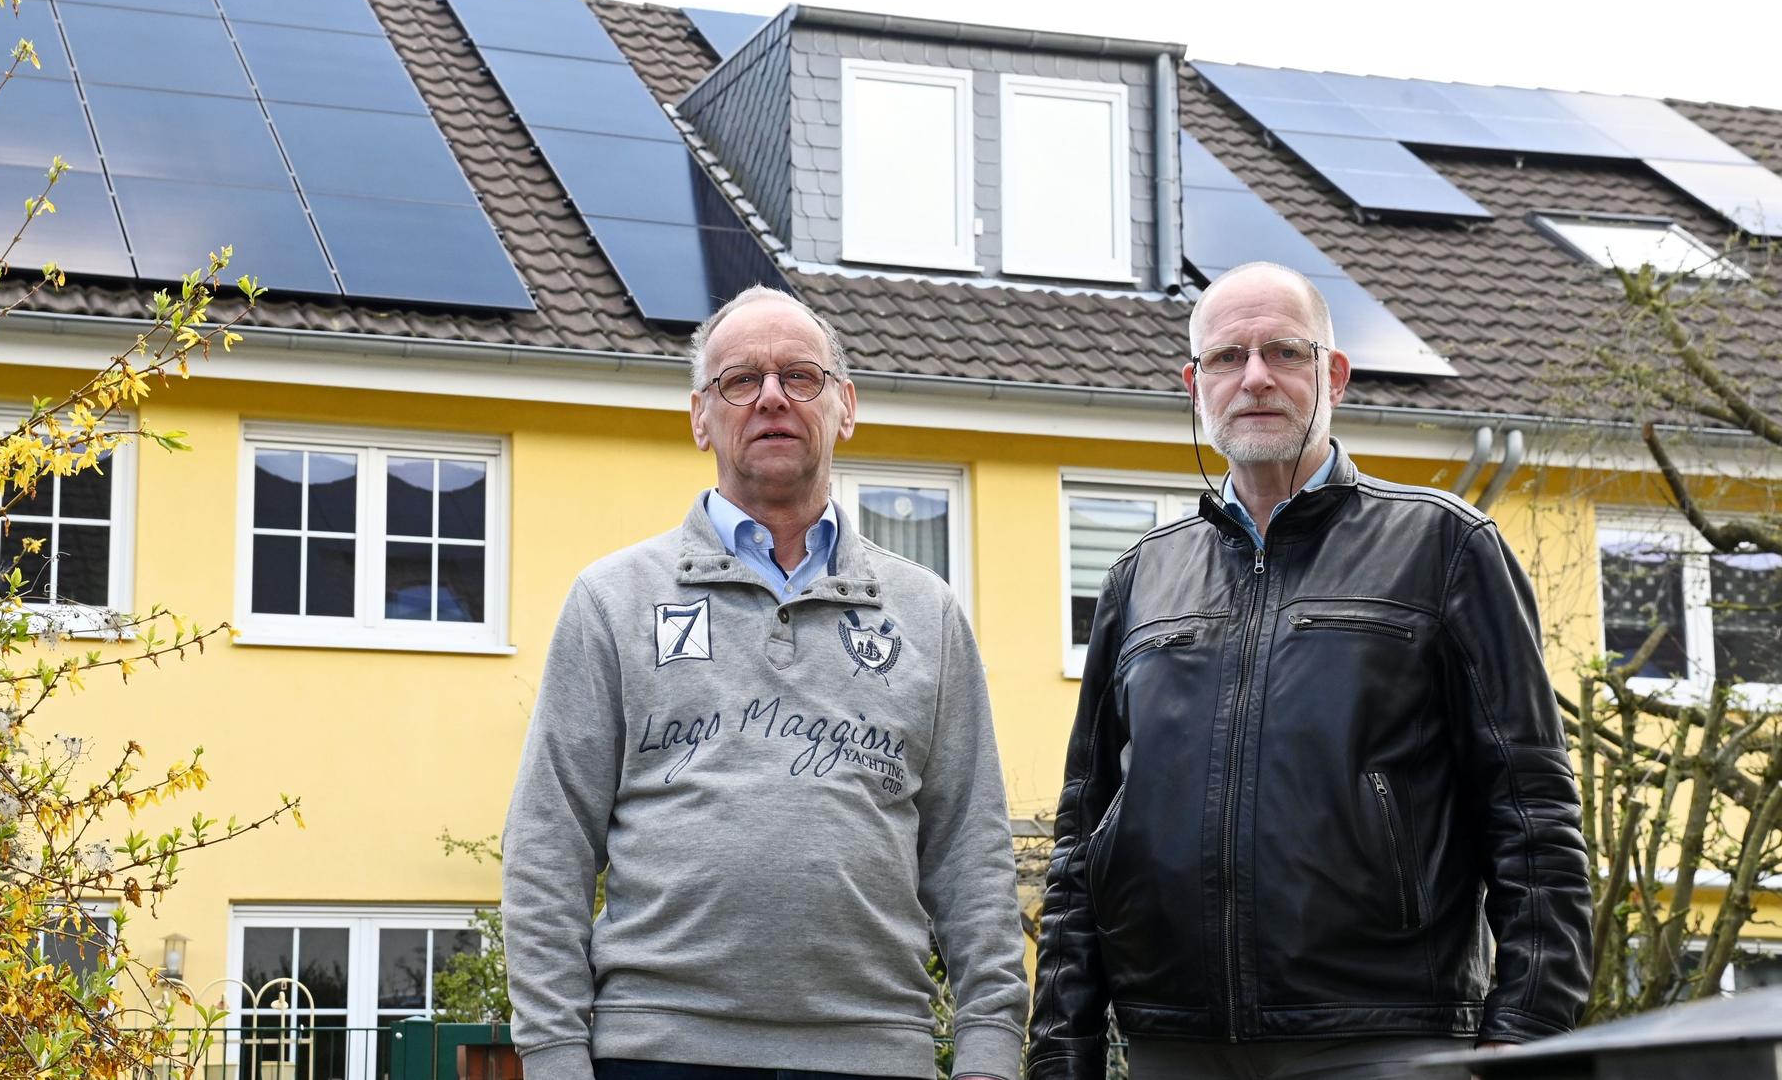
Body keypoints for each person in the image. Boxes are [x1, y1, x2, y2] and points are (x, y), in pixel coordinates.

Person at [1027, 262, 1592, 1080]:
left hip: (1387, 1037)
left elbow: (1532, 813)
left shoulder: (1443, 548)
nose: (1254, 378)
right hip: (1169, 1042)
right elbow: (1083, 834)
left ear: (1332, 375)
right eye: (1227, 358)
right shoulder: (1139, 579)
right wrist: (1059, 1049)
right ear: (1195, 386)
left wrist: (1530, 1025)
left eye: (1283, 352)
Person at [503, 285, 1029, 1080]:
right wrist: (552, 1056)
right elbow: (548, 846)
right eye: (740, 380)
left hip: (874, 1055)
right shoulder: (612, 600)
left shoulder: (927, 612)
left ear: (845, 406)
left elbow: (970, 852)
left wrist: (989, 1050)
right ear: (699, 415)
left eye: (801, 376)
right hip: (657, 1053)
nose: (772, 398)